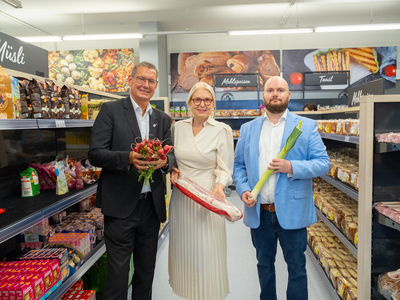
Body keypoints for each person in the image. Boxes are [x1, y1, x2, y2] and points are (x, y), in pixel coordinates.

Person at [233, 76, 330, 300]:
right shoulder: (247, 129)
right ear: (264, 95)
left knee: (297, 268)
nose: (275, 94)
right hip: (260, 213)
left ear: (288, 95)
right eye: (270, 90)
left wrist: (291, 166)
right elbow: (238, 167)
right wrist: (244, 189)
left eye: (280, 90)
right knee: (264, 265)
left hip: (292, 213)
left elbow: (323, 163)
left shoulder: (305, 126)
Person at [88, 61, 175, 300]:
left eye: (151, 81)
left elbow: (171, 154)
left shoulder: (162, 118)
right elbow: (95, 153)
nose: (145, 85)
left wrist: (164, 162)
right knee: (118, 273)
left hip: (151, 206)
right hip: (120, 206)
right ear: (130, 80)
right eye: (141, 79)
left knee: (146, 272)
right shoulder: (111, 110)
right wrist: (127, 157)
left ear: (156, 86)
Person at [169, 82, 234, 300]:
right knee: (184, 249)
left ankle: (209, 294)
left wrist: (219, 186)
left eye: (207, 100)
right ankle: (187, 292)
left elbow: (225, 168)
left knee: (207, 250)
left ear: (213, 103)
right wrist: (172, 171)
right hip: (182, 194)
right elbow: (172, 160)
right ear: (189, 102)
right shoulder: (178, 128)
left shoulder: (221, 130)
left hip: (207, 196)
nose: (202, 104)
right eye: (197, 99)